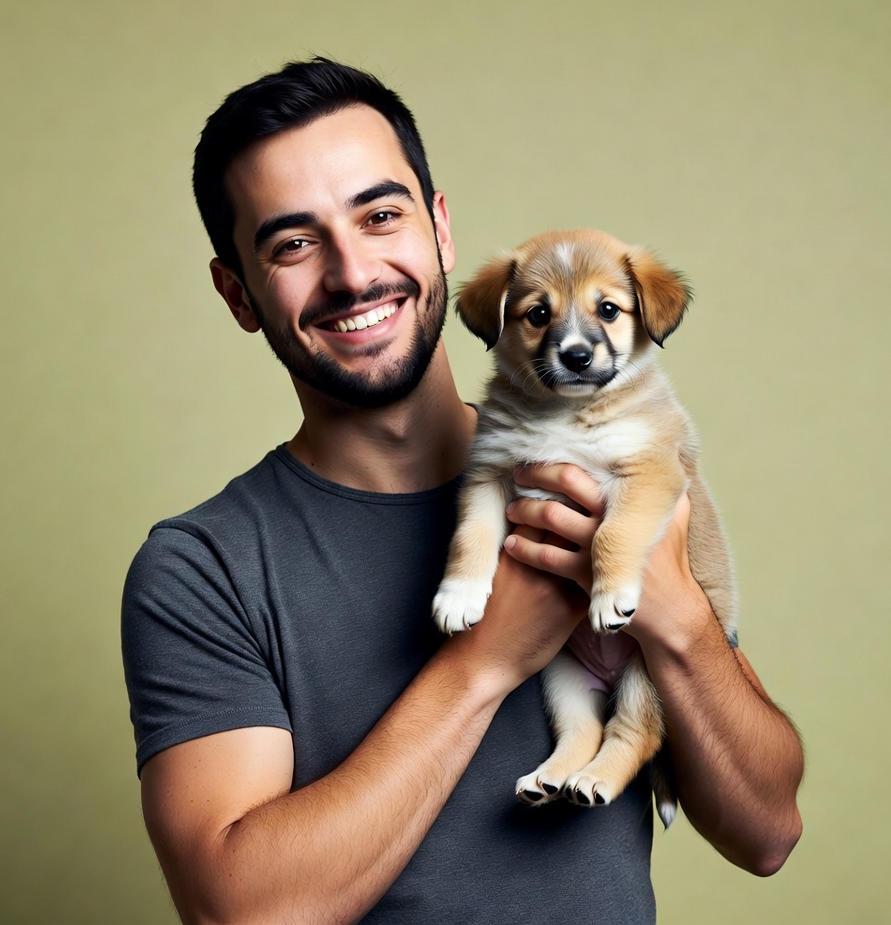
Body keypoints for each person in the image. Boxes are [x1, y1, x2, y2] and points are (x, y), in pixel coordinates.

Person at [121, 57, 803, 925]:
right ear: (239, 294)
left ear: (440, 231)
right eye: (293, 243)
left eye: (380, 216)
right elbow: (241, 914)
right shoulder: (205, 568)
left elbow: (768, 830)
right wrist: (483, 664)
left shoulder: (601, 477)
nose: (352, 272)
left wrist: (675, 614)